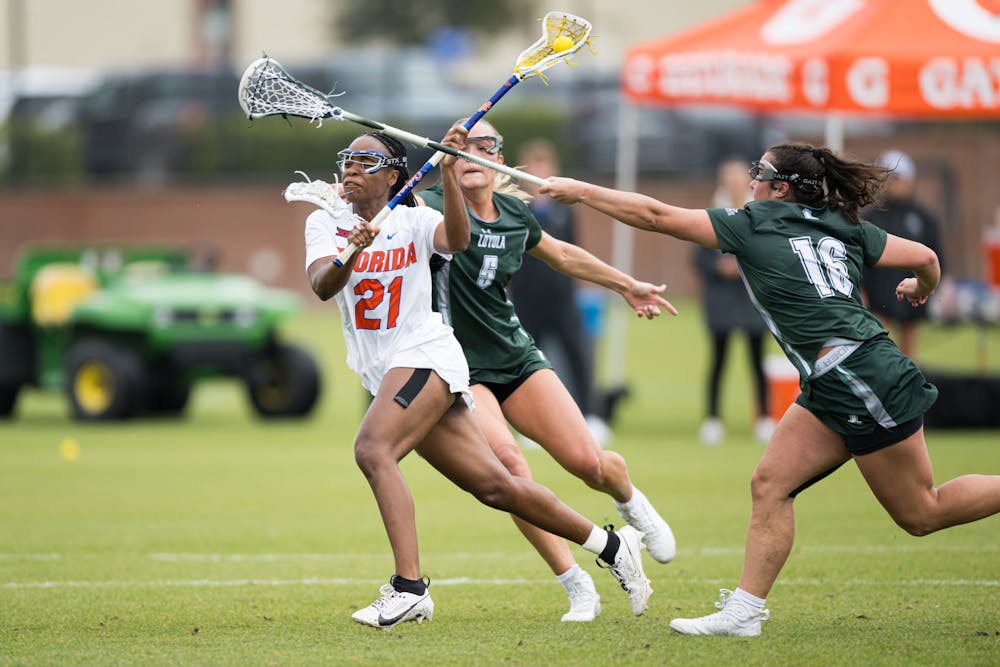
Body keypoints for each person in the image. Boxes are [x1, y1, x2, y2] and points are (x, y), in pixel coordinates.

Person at [541, 143, 1000, 637]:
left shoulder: (753, 222)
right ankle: (745, 612)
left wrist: (581, 190)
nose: (752, 178)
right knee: (770, 485)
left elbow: (654, 215)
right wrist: (920, 286)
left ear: (779, 188)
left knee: (920, 513)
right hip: (835, 381)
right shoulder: (840, 224)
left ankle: (746, 609)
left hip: (861, 375)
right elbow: (927, 257)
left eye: (759, 171)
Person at [302, 127, 653, 629]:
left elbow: (458, 239)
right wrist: (352, 250)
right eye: (348, 160)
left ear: (396, 176)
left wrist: (447, 173)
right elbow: (321, 285)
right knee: (497, 486)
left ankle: (409, 589)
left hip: (427, 357)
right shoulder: (324, 223)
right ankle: (614, 546)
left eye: (367, 161)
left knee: (372, 450)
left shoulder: (417, 218)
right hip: (386, 369)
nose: (352, 168)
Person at [418, 118, 678, 623]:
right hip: (459, 368)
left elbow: (561, 254)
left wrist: (625, 284)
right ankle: (576, 583)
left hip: (516, 357)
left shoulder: (516, 213)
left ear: (497, 155)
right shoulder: (427, 206)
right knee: (509, 469)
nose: (473, 153)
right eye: (463, 147)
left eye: (484, 145)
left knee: (589, 464)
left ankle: (627, 496)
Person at [507, 138, 608, 442]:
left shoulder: (565, 210)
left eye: (544, 165)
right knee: (527, 362)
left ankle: (591, 415)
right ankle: (531, 424)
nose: (539, 171)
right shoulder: (515, 209)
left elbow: (572, 250)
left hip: (562, 298)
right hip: (527, 299)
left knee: (578, 355)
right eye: (534, 166)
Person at [694, 157, 773, 445]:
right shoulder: (711, 212)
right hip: (720, 299)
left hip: (751, 297)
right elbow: (699, 256)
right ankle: (712, 418)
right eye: (729, 178)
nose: (734, 184)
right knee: (718, 360)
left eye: (739, 178)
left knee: (757, 360)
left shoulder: (760, 212)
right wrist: (718, 267)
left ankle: (764, 417)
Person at [861, 149, 944, 361]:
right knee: (878, 354)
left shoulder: (924, 218)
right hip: (877, 296)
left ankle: (906, 393)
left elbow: (936, 257)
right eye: (891, 178)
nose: (896, 183)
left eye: (900, 178)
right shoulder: (870, 218)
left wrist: (928, 287)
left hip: (913, 298)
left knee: (908, 358)